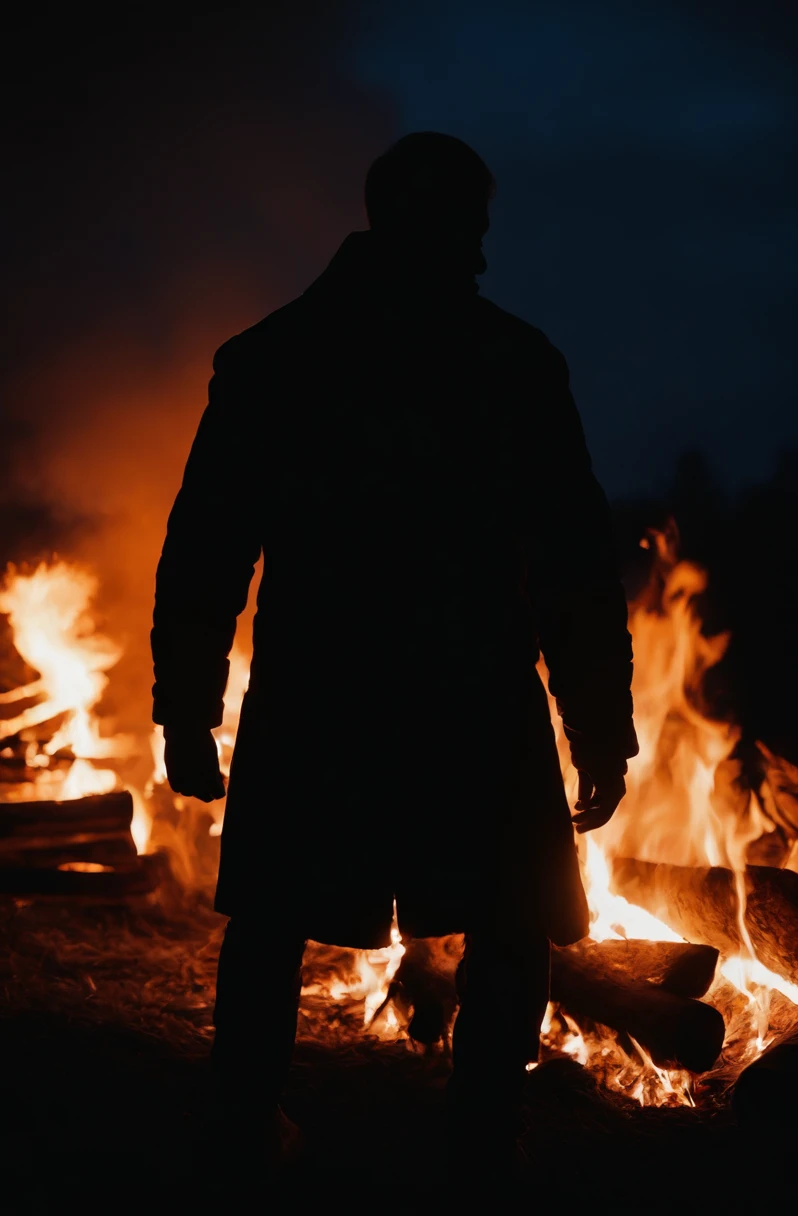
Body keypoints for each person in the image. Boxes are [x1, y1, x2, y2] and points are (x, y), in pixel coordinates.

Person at [151, 131, 638, 1176]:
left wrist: (187, 710)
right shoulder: (510, 362)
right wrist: (599, 721)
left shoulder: (274, 355)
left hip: (319, 691)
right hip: (471, 690)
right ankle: (481, 1135)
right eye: (474, 221)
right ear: (466, 224)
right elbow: (570, 564)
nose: (477, 244)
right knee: (506, 915)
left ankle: (243, 1125)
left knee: (277, 913)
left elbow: (205, 548)